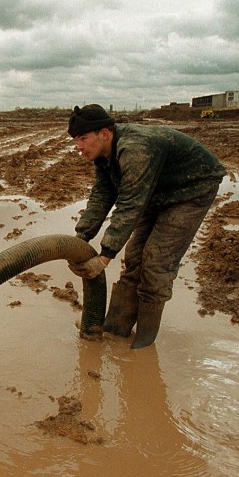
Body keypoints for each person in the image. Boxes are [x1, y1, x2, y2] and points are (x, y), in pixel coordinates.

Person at [66, 104, 225, 349]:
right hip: (157, 191)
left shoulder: (135, 149)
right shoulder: (105, 156)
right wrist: (81, 237)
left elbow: (129, 205)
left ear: (105, 134)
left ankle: (144, 342)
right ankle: (116, 328)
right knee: (134, 258)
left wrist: (104, 256)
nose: (80, 147)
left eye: (83, 139)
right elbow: (102, 194)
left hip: (190, 190)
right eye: (77, 140)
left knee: (156, 262)